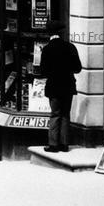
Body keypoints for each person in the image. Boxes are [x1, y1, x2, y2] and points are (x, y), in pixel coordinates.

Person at [39, 20, 82, 153]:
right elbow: (78, 68)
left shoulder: (47, 49)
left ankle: (53, 144)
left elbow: (43, 71)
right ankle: (64, 144)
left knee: (55, 114)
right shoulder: (70, 47)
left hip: (54, 86)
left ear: (49, 34)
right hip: (68, 86)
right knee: (65, 114)